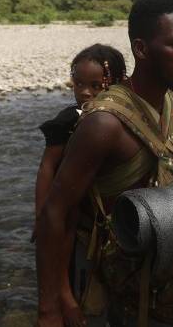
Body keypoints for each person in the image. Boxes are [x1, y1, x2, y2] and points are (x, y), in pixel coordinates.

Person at [36, 0, 173, 327]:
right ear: (141, 49)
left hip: (158, 270)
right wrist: (54, 304)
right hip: (109, 274)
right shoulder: (104, 124)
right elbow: (57, 212)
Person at [34, 44, 127, 325]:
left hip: (106, 214)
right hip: (73, 205)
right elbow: (47, 166)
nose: (85, 92)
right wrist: (41, 216)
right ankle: (65, 297)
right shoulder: (69, 119)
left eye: (96, 85)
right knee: (70, 249)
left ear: (118, 83)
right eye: (79, 84)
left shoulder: (120, 117)